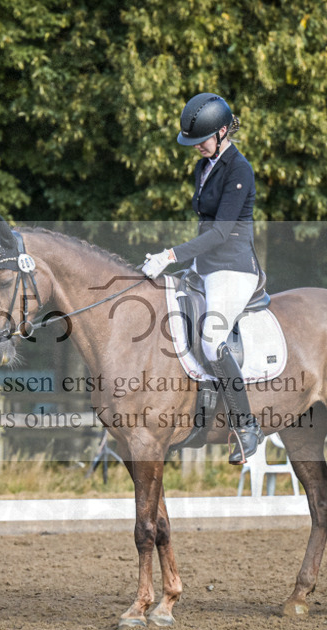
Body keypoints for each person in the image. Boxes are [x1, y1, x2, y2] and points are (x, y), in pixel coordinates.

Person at [141, 92, 264, 465]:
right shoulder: (206, 165)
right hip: (205, 265)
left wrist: (171, 255)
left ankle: (246, 426)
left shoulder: (239, 169)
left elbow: (221, 232)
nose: (196, 148)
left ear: (223, 132)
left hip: (233, 266)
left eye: (202, 141)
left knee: (212, 341)